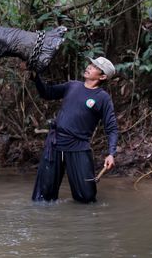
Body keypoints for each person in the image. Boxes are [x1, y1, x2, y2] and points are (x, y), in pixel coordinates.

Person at [32, 56, 119, 203]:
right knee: (44, 196)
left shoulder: (102, 98)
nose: (89, 67)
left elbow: (112, 128)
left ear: (102, 76)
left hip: (78, 146)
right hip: (55, 143)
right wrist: (36, 78)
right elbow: (47, 93)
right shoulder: (72, 86)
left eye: (95, 67)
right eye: (91, 64)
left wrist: (111, 153)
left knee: (86, 197)